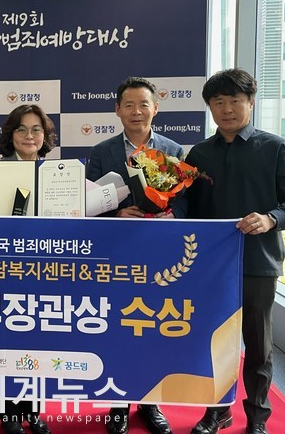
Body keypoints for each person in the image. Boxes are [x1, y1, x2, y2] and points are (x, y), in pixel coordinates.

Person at [181, 69, 285, 434]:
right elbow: (189, 206)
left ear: (251, 102)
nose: (227, 109)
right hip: (210, 266)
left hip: (258, 263)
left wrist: (271, 219)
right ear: (209, 107)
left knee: (258, 347)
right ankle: (216, 412)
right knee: (213, 344)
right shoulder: (199, 154)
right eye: (218, 102)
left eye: (235, 101)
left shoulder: (277, 148)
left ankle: (257, 418)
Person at [86, 77, 177, 434]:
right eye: (129, 105)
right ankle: (118, 403)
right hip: (117, 254)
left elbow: (188, 202)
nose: (136, 111)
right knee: (118, 327)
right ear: (117, 110)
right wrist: (116, 213)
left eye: (143, 104)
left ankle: (151, 403)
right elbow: (87, 204)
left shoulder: (173, 149)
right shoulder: (102, 151)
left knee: (152, 326)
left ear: (156, 108)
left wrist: (172, 214)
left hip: (158, 256)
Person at [0, 104, 55, 434]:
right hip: (1, 270)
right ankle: (7, 412)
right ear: (11, 134)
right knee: (4, 342)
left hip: (43, 272)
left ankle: (33, 410)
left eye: (36, 129)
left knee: (38, 342)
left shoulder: (56, 171)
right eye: (22, 129)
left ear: (45, 135)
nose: (29, 136)